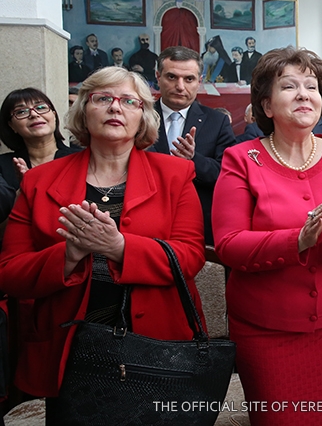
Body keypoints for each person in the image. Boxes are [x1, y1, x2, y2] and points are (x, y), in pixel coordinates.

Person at [0, 66, 206, 414]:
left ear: (143, 117)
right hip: (67, 347)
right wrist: (69, 254)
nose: (115, 107)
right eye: (102, 98)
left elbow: (190, 257)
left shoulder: (176, 174)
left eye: (129, 101)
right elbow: (9, 272)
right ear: (83, 110)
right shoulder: (38, 181)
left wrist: (119, 248)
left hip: (158, 345)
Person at [213, 46, 322, 426]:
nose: (304, 94)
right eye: (289, 86)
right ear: (266, 105)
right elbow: (229, 244)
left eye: (312, 86)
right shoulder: (241, 159)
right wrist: (297, 241)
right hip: (267, 332)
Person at [151, 46, 236, 245]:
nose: (180, 86)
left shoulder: (217, 122)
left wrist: (192, 160)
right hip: (146, 221)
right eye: (172, 77)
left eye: (189, 79)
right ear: (158, 77)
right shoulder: (138, 117)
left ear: (199, 81)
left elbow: (227, 174)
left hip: (197, 225)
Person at [0, 88, 79, 193]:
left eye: (41, 107)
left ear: (54, 115)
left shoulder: (81, 159)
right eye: (21, 112)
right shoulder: (3, 165)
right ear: (11, 125)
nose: (34, 114)